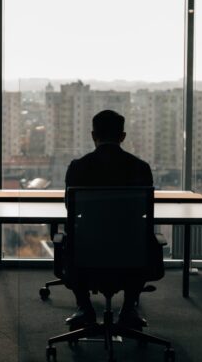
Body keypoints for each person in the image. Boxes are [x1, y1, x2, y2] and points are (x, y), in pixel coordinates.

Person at [63, 109, 159, 329]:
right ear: (122, 136)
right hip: (131, 249)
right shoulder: (140, 167)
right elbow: (144, 210)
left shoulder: (79, 167)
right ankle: (128, 309)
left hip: (88, 249)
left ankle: (85, 308)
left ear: (93, 135)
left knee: (68, 242)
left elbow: (71, 207)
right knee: (144, 240)